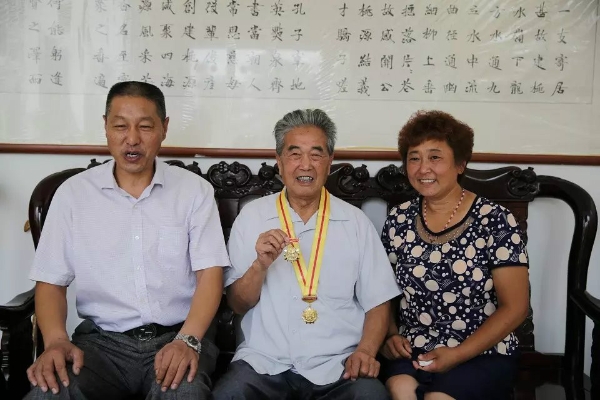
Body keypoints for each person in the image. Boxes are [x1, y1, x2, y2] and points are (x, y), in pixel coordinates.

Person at [25, 81, 230, 400]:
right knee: (49, 392)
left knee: (183, 393)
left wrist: (188, 339)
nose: (132, 139)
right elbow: (51, 281)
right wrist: (55, 341)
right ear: (105, 126)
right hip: (99, 344)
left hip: (177, 336)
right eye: (120, 126)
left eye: (145, 127)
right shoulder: (74, 194)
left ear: (164, 128)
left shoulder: (193, 191)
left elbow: (210, 275)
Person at [213, 109, 400, 400]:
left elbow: (378, 300)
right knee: (228, 395)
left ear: (329, 161)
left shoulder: (355, 222)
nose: (305, 165)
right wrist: (260, 266)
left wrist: (365, 352)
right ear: (279, 161)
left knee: (371, 396)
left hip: (337, 365)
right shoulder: (253, 217)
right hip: (264, 362)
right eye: (294, 154)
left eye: (316, 154)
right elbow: (237, 304)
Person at [379, 110, 530, 400]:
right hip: (413, 347)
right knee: (401, 390)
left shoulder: (495, 220)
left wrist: (458, 353)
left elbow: (516, 307)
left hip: (481, 351)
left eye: (435, 157)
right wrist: (390, 335)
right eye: (414, 158)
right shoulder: (399, 219)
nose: (423, 169)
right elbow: (382, 291)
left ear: (460, 164)